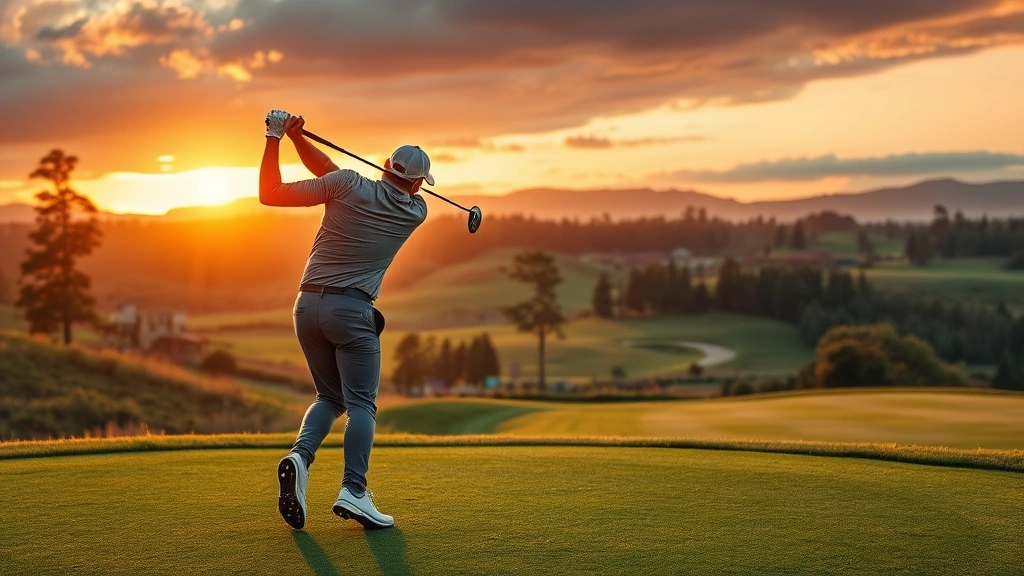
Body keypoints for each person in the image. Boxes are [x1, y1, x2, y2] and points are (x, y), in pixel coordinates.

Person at [259, 109, 430, 530]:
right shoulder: (416, 211)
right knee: (361, 404)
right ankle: (354, 491)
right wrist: (300, 141)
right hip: (352, 312)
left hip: (306, 307)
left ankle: (300, 457)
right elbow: (340, 176)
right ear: (417, 184)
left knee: (329, 397)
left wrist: (277, 137)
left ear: (386, 165)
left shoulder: (346, 183)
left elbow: (272, 192)